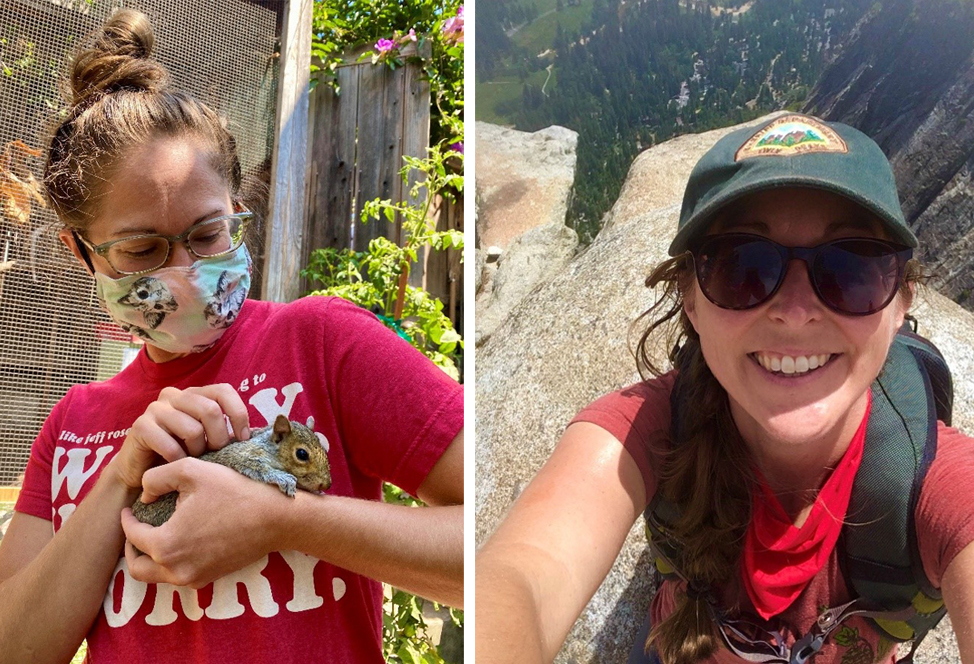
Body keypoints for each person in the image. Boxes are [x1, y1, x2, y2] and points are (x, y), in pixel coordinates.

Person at [0, 9, 463, 664]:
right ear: (83, 253)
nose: (186, 271)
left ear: (238, 211)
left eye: (207, 234)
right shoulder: (71, 425)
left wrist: (286, 519)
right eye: (142, 250)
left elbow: (494, 537)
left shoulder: (325, 346)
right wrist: (119, 476)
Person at [475, 113, 974, 664]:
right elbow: (519, 576)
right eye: (744, 267)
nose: (795, 312)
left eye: (850, 268)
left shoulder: (934, 481)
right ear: (690, 298)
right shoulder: (644, 431)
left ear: (902, 302)